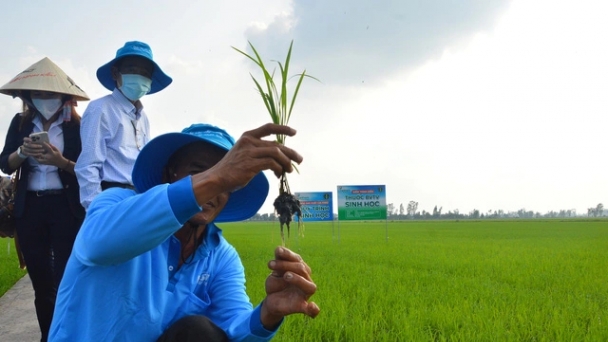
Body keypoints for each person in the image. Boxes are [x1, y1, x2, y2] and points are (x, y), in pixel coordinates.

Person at [49, 123, 319, 341]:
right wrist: (218, 176)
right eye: (197, 172)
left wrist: (268, 313)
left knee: (200, 332)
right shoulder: (115, 204)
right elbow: (98, 243)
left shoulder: (220, 256)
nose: (214, 188)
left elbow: (231, 330)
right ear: (170, 174)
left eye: (227, 182)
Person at [0, 57, 89, 341]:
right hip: (31, 208)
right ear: (29, 97)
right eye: (38, 94)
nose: (45, 99)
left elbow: (89, 168)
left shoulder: (77, 126)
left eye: (50, 93)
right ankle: (48, 337)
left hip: (65, 207)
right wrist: (23, 153)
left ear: (64, 96)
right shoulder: (20, 122)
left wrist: (60, 161)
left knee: (66, 280)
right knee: (41, 283)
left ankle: (69, 335)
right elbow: (5, 164)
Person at [74, 40, 172, 209]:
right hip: (111, 195)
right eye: (132, 69)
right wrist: (96, 209)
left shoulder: (143, 117)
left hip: (138, 196)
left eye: (145, 72)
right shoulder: (100, 109)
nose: (139, 75)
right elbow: (88, 165)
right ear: (115, 73)